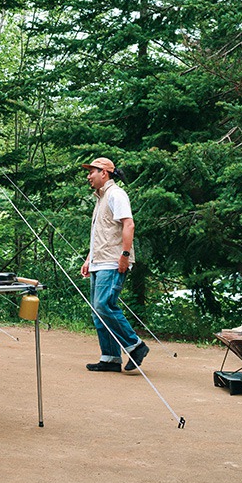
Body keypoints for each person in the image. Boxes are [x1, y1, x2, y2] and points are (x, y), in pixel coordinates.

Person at [80, 157, 149, 373]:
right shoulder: (100, 198)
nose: (88, 176)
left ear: (104, 173)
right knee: (97, 311)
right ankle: (110, 358)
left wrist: (125, 255)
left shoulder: (116, 194)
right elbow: (101, 233)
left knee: (104, 305)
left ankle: (136, 346)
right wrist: (89, 258)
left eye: (92, 171)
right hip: (99, 261)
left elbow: (128, 224)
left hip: (113, 261)